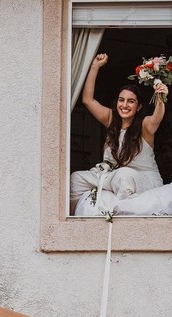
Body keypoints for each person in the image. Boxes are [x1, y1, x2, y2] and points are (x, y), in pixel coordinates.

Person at [70, 53, 167, 213]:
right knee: (77, 178)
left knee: (124, 175)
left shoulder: (145, 125)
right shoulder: (111, 119)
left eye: (131, 101)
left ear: (139, 106)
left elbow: (157, 117)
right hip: (115, 176)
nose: (124, 105)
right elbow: (88, 100)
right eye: (121, 100)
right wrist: (94, 67)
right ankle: (76, 220)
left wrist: (160, 98)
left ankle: (120, 219)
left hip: (143, 178)